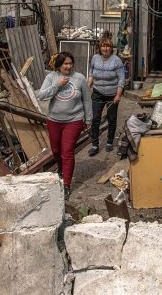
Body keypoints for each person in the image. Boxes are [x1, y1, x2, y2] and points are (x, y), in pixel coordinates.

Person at [37, 51, 92, 199]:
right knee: (56, 150)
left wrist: (88, 120)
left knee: (67, 152)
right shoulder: (51, 77)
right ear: (59, 66)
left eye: (70, 63)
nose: (68, 66)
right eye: (65, 64)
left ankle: (66, 185)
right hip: (54, 120)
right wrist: (57, 85)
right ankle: (61, 168)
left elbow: (87, 100)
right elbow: (42, 96)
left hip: (74, 120)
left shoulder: (79, 78)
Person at [87, 31, 125, 156]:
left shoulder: (117, 61)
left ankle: (109, 142)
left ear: (111, 48)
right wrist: (88, 87)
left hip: (112, 94)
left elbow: (121, 79)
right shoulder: (94, 58)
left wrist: (118, 95)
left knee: (111, 119)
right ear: (100, 47)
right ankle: (95, 144)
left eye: (108, 46)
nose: (105, 48)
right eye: (103, 46)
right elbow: (91, 73)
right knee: (95, 119)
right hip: (97, 93)